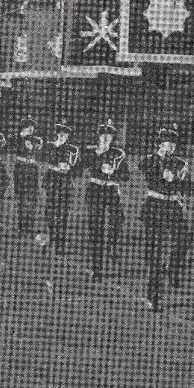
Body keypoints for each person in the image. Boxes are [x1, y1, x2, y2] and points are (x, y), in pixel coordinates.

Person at [139, 124, 194, 312]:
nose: (169, 147)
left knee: (184, 240)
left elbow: (190, 189)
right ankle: (153, 296)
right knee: (156, 252)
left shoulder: (181, 164)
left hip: (173, 207)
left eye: (172, 145)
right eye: (166, 144)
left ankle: (172, 267)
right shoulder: (149, 160)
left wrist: (176, 180)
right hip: (155, 206)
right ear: (159, 144)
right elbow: (149, 178)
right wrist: (163, 177)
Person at [82, 119, 130, 282]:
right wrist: (98, 159)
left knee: (118, 219)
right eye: (103, 135)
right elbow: (80, 167)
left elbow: (126, 176)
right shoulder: (92, 152)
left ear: (112, 138)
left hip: (111, 190)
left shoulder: (118, 154)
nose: (105, 138)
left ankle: (111, 244)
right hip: (95, 190)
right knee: (97, 229)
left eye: (109, 136)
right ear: (98, 137)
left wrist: (113, 173)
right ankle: (97, 268)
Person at [42, 121, 79, 255]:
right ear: (57, 133)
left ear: (68, 136)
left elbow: (76, 167)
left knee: (62, 214)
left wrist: (69, 168)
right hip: (51, 182)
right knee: (50, 213)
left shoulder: (72, 149)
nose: (62, 135)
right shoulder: (49, 146)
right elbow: (43, 159)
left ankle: (60, 245)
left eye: (65, 133)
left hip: (64, 183)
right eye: (60, 132)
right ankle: (51, 238)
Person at [9, 117, 43, 235]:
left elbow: (39, 148)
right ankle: (22, 225)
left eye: (32, 127)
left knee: (33, 198)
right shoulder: (16, 138)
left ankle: (30, 224)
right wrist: (22, 138)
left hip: (32, 169)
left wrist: (30, 144)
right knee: (21, 198)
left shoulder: (37, 140)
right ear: (23, 127)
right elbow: (11, 143)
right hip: (21, 169)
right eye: (28, 126)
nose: (31, 129)